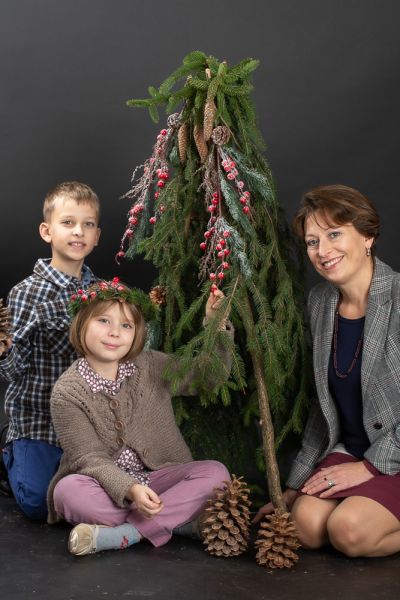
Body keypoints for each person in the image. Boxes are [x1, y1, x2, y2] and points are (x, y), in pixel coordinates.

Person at [254, 184, 400, 558]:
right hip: (351, 448)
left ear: (367, 236)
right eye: (312, 241)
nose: (323, 251)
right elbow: (324, 409)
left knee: (349, 531)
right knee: (305, 526)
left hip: (392, 451)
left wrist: (370, 467)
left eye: (335, 234)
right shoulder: (320, 302)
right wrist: (294, 484)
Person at [46, 279, 232, 556]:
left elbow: (207, 378)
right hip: (105, 486)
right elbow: (89, 459)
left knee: (216, 473)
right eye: (103, 321)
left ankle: (125, 534)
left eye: (126, 325)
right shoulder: (67, 393)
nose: (114, 333)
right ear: (81, 324)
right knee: (67, 492)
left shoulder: (149, 365)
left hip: (161, 477)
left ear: (136, 334)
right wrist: (130, 488)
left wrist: (215, 328)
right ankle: (175, 521)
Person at [0, 181, 101, 519]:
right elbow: (11, 373)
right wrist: (4, 350)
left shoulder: (104, 293)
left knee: (99, 492)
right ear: (47, 231)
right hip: (38, 420)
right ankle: (10, 456)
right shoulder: (26, 294)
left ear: (97, 235)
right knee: (39, 504)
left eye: (88, 224)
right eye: (68, 222)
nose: (79, 232)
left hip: (88, 421)